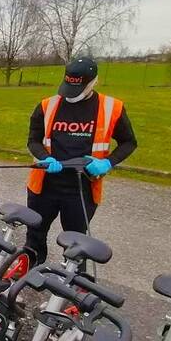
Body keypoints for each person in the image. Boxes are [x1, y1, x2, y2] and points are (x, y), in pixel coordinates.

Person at [25, 57, 137, 266]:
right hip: (44, 186)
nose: (70, 95)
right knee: (35, 234)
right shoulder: (47, 106)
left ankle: (73, 285)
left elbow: (129, 143)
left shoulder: (112, 108)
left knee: (77, 242)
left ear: (93, 82)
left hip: (81, 189)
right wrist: (44, 158)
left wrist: (108, 163)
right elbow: (33, 140)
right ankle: (28, 271)